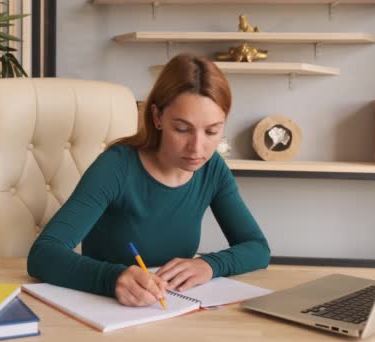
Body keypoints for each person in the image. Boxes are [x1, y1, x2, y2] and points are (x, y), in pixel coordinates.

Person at [27, 53, 270, 307]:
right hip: (108, 313)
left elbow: (257, 248)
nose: (197, 148)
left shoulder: (212, 170)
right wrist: (112, 279)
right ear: (157, 117)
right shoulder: (116, 167)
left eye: (212, 131)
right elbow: (43, 254)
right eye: (182, 129)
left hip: (172, 310)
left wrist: (209, 264)